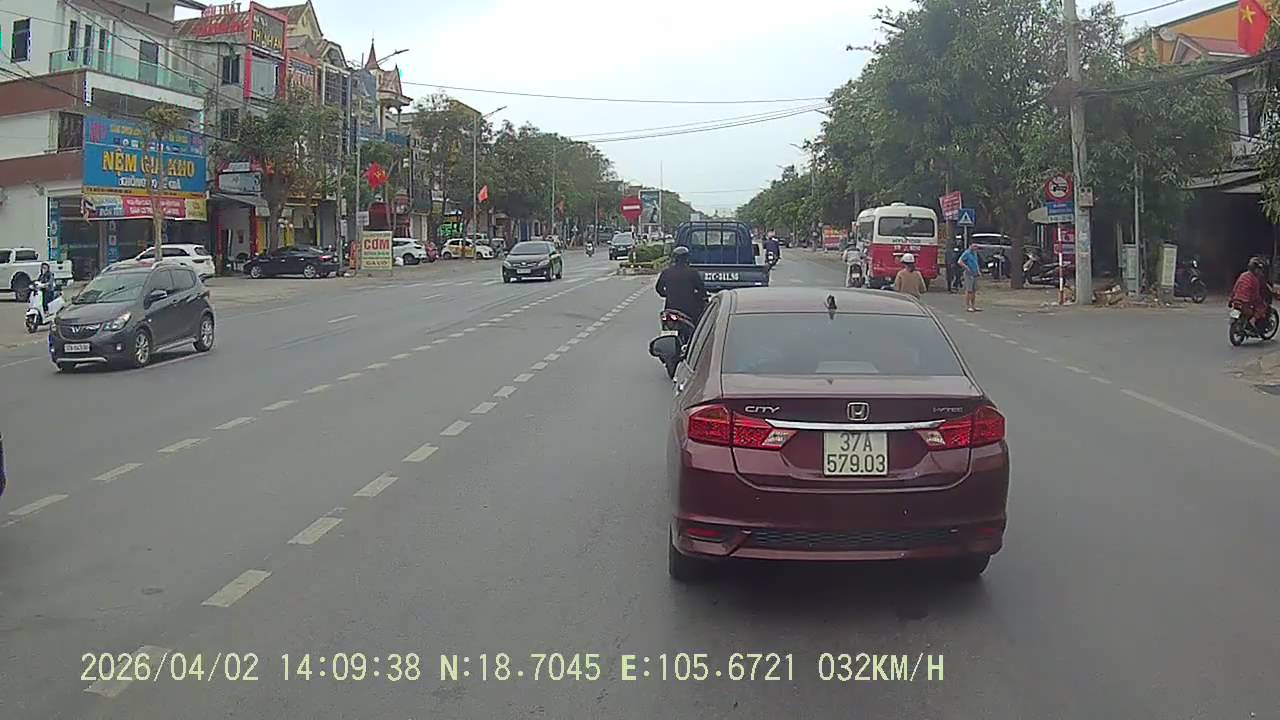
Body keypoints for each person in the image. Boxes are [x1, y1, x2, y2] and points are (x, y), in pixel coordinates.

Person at [655, 246, 707, 328]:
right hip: (689, 310)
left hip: (670, 309)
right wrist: (696, 296)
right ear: (687, 258)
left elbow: (659, 288)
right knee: (697, 326)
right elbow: (702, 291)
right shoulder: (693, 273)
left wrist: (667, 294)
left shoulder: (666, 272)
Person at [1231, 256, 1277, 333]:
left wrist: (1231, 299)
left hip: (1236, 299)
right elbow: (1255, 295)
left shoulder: (1242, 275)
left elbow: (1235, 288)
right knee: (1261, 308)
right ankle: (1252, 322)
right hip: (1247, 301)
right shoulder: (1255, 279)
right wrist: (1260, 302)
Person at [958, 243, 982, 311]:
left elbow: (976, 263)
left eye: (976, 246)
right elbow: (960, 261)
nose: (975, 248)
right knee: (969, 290)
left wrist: (978, 271)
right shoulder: (967, 253)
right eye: (974, 246)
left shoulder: (975, 253)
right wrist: (966, 267)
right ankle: (968, 306)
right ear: (970, 246)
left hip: (975, 273)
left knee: (974, 290)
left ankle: (973, 305)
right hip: (969, 274)